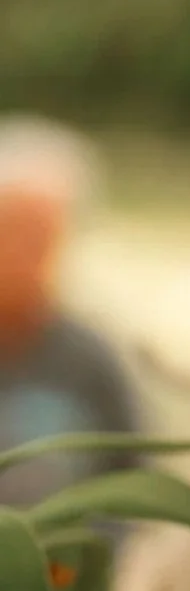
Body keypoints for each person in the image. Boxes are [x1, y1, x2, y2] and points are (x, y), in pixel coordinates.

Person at [0, 119, 143, 492]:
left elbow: (134, 486)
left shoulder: (89, 363)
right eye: (12, 231)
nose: (24, 256)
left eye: (42, 238)